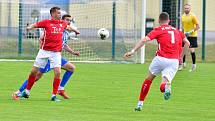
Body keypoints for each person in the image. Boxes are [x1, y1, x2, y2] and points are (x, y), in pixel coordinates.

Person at [123, 12, 190, 111]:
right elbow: (187, 43)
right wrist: (180, 58)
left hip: (160, 59)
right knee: (163, 85)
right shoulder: (177, 31)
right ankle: (166, 86)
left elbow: (144, 40)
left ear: (159, 21)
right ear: (169, 21)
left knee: (149, 79)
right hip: (173, 61)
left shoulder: (158, 30)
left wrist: (133, 51)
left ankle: (140, 104)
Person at [12, 14, 80, 101]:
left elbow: (64, 45)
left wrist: (73, 52)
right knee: (37, 76)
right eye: (67, 20)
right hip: (48, 56)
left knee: (71, 68)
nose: (69, 22)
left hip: (56, 55)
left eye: (70, 20)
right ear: (62, 21)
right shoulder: (56, 28)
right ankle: (18, 92)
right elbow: (41, 38)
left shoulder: (65, 32)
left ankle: (60, 89)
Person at [179, 4, 200, 71]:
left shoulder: (193, 16)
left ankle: (194, 65)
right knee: (183, 49)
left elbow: (198, 26)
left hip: (192, 36)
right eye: (185, 8)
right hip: (185, 35)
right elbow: (183, 27)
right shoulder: (182, 16)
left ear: (190, 9)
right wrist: (182, 34)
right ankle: (182, 64)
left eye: (188, 8)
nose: (186, 9)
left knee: (191, 50)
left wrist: (191, 32)